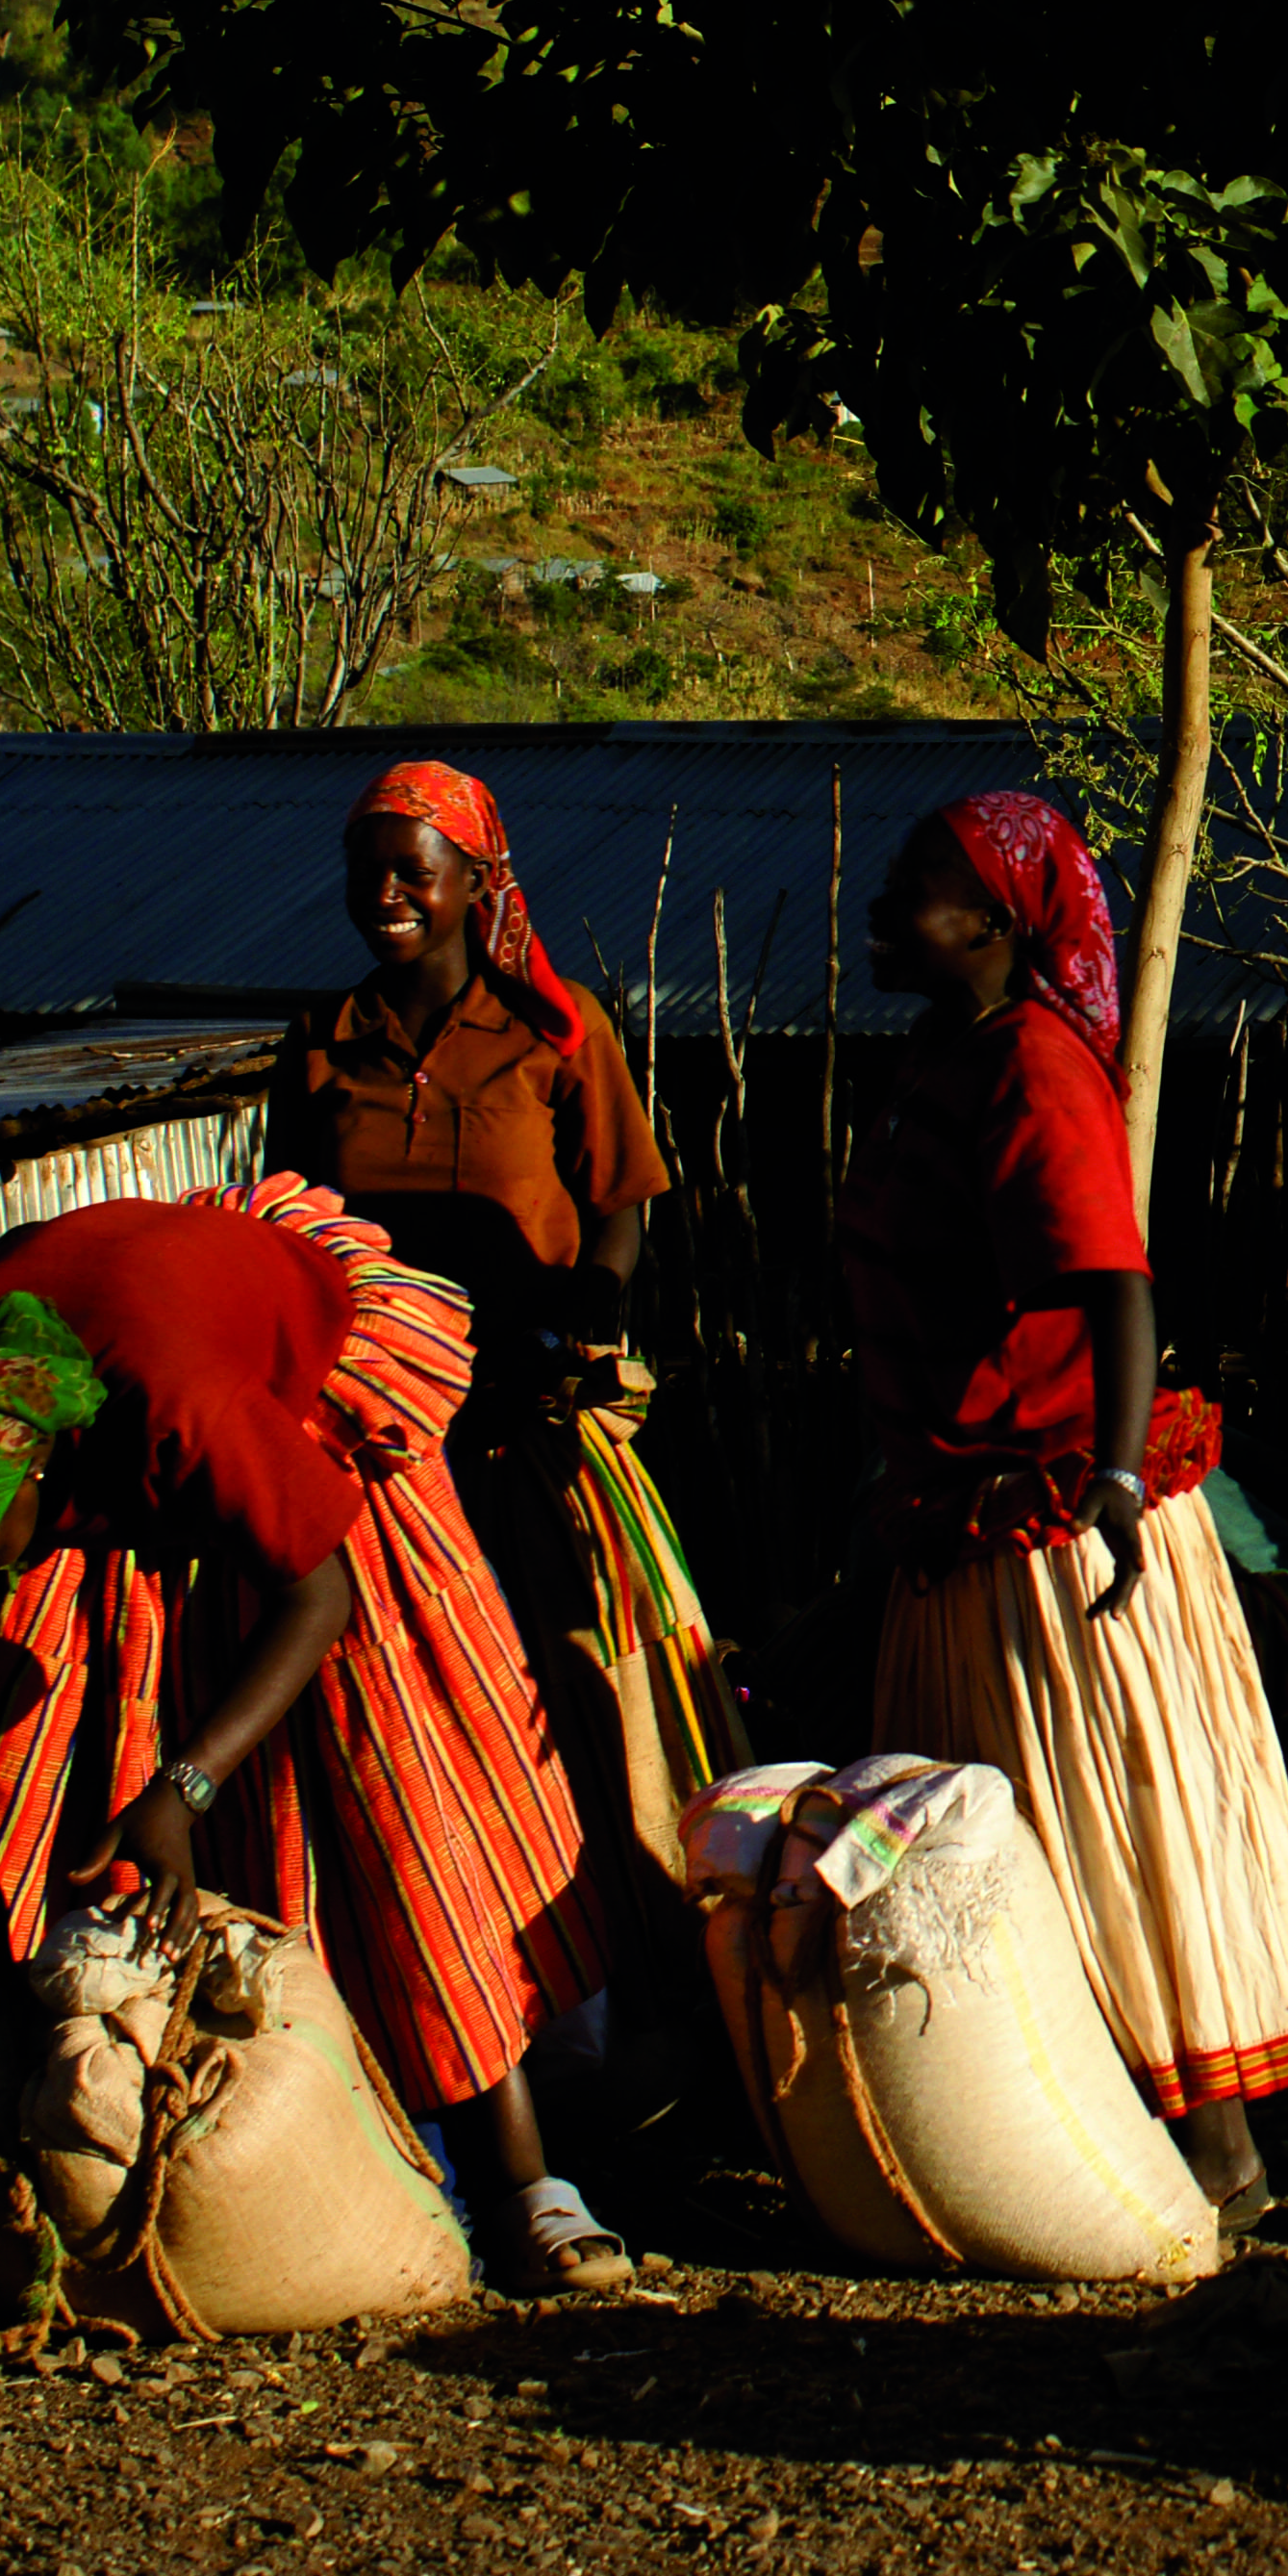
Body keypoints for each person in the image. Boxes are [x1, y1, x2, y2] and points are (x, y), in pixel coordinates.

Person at [0, 1179, 629, 2290]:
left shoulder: (180, 1400)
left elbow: (320, 1599)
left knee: (391, 1779)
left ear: (45, 1476)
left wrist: (181, 1792)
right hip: (110, 1368)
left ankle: (521, 2179)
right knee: (14, 1794)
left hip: (299, 1370)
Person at [846, 788, 1288, 2220]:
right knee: (1025, 1850)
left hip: (1054, 1525)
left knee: (1099, 1839)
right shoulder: (941, 1065)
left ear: (1001, 922)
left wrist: (1117, 1484)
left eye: (916, 890)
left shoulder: (1031, 1074)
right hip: (962, 1514)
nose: (885, 914)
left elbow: (1111, 1284)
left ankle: (1209, 2164)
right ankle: (1090, 2153)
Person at [270, 761, 745, 1963]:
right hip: (378, 1437)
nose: (384, 894)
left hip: (523, 1421)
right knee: (404, 1690)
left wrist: (587, 1307)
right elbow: (288, 1224)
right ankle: (456, 1947)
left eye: (412, 872)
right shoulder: (322, 1044)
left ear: (477, 883)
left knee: (565, 1674)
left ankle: (622, 1949)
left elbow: (623, 1201)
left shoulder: (553, 1031)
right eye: (364, 871)